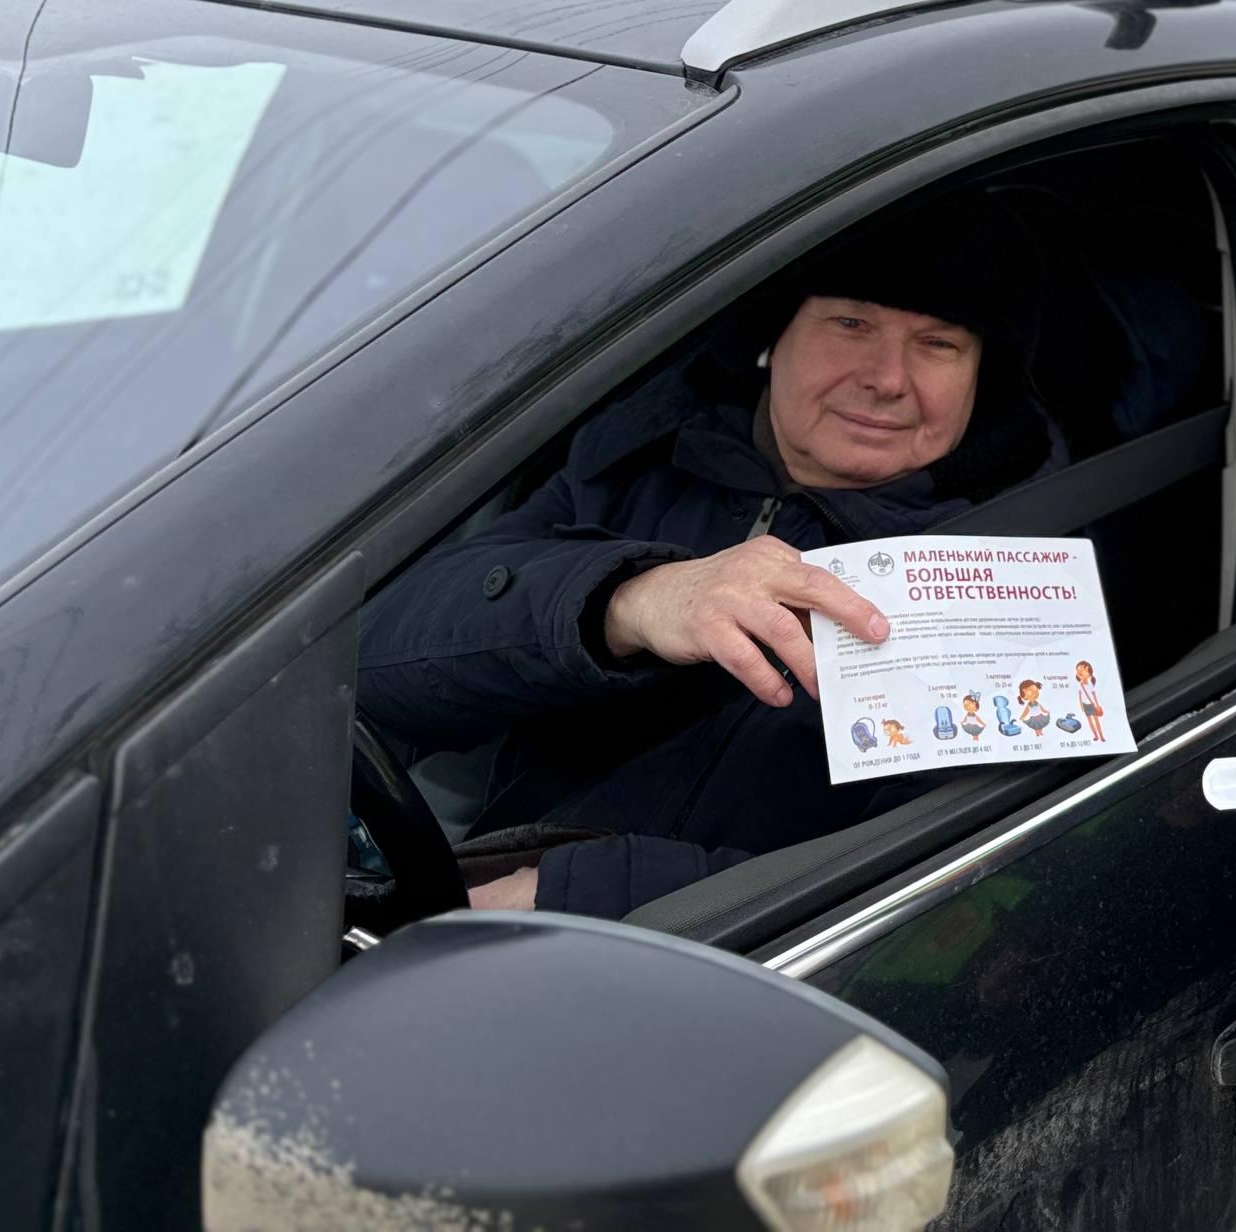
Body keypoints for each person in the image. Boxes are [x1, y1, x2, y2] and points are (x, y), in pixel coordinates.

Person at [357, 203, 1061, 917]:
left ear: (982, 379)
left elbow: (954, 882)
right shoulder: (644, 458)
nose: (886, 378)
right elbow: (374, 666)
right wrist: (626, 600)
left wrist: (584, 895)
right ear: (775, 336)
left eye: (938, 344)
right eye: (851, 323)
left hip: (723, 961)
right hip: (462, 884)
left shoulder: (1014, 567)